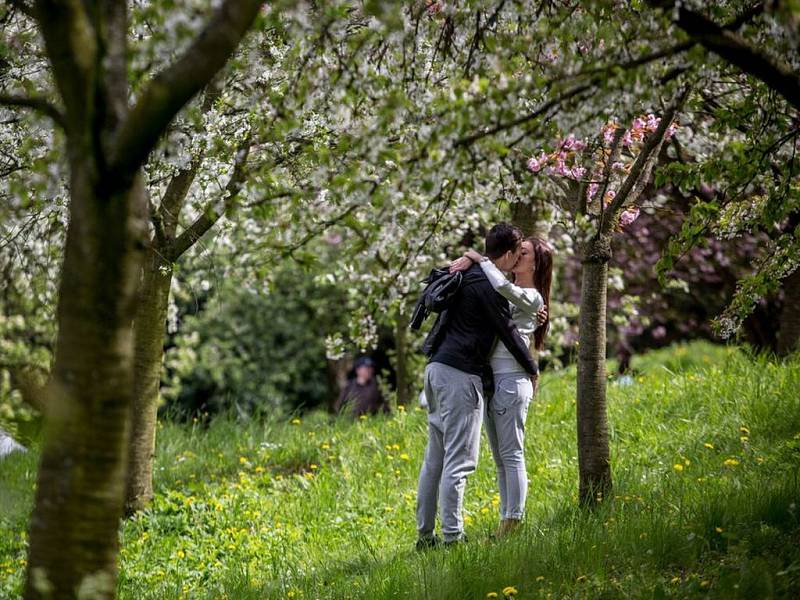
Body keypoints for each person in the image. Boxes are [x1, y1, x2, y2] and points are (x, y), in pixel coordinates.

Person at [415, 223, 539, 549]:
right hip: (460, 376)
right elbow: (510, 333)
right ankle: (453, 538)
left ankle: (425, 536)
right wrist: (533, 369)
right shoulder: (490, 287)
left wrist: (472, 258)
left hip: (435, 369)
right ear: (510, 254)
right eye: (518, 254)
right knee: (459, 462)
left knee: (435, 460)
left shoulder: (465, 275)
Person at [450, 236, 553, 536]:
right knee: (500, 458)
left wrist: (478, 258)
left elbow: (498, 285)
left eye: (524, 253)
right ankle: (505, 521)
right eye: (517, 251)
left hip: (512, 380)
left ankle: (514, 520)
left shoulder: (533, 297)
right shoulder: (515, 294)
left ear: (537, 263)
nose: (516, 256)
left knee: (512, 454)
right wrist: (474, 262)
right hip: (494, 382)